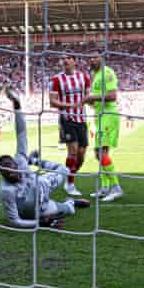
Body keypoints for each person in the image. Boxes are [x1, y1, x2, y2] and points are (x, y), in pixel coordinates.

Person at [0, 85, 89, 228]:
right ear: (1, 174)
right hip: (37, 211)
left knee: (64, 170)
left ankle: (33, 160)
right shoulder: (7, 190)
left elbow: (21, 133)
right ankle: (71, 202)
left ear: (16, 163)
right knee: (68, 209)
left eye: (9, 165)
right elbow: (14, 221)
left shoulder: (20, 160)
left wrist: (17, 105)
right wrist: (40, 223)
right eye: (4, 171)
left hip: (42, 185)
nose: (9, 171)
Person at [49, 55, 92, 196]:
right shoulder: (56, 80)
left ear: (75, 61)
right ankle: (70, 184)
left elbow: (87, 96)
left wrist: (94, 102)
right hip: (67, 119)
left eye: (68, 58)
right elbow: (53, 102)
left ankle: (69, 177)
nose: (65, 60)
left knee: (81, 155)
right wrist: (70, 105)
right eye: (63, 58)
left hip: (82, 119)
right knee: (73, 151)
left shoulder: (84, 77)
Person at [83, 56, 123, 201]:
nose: (92, 60)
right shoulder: (96, 76)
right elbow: (97, 100)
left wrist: (92, 98)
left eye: (95, 57)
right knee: (98, 153)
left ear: (102, 58)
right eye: (91, 58)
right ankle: (105, 187)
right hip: (99, 116)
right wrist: (90, 102)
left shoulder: (107, 72)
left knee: (101, 152)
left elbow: (112, 96)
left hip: (108, 115)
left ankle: (116, 187)